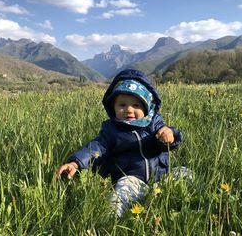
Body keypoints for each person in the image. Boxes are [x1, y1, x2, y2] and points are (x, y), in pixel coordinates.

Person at [56, 69, 187, 217]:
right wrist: (76, 163)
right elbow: (95, 147)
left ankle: (204, 198)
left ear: (146, 108)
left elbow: (168, 140)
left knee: (185, 173)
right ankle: (112, 219)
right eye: (122, 105)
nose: (129, 110)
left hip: (161, 177)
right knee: (120, 194)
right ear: (113, 107)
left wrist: (169, 136)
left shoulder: (154, 124)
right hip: (132, 179)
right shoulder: (111, 130)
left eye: (136, 105)